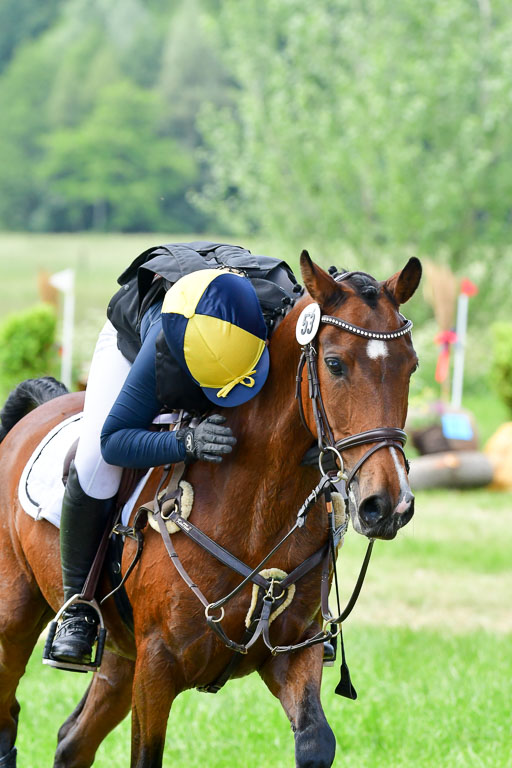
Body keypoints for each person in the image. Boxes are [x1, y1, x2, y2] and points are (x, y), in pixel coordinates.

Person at [48, 242, 299, 668]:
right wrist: (187, 442)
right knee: (95, 465)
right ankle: (78, 606)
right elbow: (115, 440)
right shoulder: (163, 343)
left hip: (231, 321)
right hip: (139, 335)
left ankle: (310, 610)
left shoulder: (280, 315)